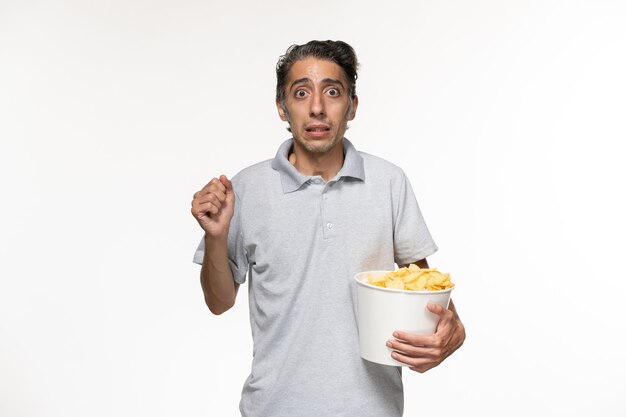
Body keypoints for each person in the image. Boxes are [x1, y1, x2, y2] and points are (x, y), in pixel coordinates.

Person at [191, 40, 465, 417]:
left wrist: (453, 332)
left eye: (332, 92)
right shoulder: (247, 190)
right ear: (281, 107)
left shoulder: (389, 182)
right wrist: (216, 236)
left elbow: (427, 292)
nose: (317, 107)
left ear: (351, 106)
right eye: (301, 92)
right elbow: (218, 302)